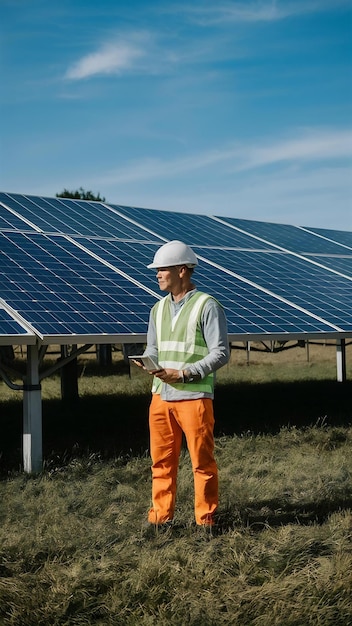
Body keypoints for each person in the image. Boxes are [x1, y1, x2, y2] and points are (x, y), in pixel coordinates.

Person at [137, 240, 229, 530]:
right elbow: (153, 348)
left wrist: (186, 374)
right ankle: (160, 520)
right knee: (161, 462)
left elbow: (221, 352)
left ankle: (207, 522)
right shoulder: (157, 309)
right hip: (161, 397)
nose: (157, 274)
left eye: (162, 269)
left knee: (202, 464)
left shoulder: (207, 306)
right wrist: (147, 361)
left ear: (181, 270)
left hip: (194, 396)